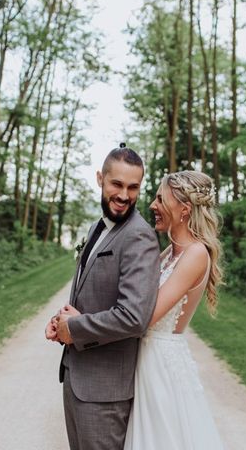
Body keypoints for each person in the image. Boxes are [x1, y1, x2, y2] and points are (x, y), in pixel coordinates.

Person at [61, 170, 225, 450]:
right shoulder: (167, 253)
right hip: (141, 362)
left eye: (161, 199)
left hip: (160, 367)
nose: (152, 205)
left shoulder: (196, 254)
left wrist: (81, 324)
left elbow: (144, 316)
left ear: (184, 209)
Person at [45, 145, 160, 450]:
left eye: (133, 187)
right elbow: (91, 294)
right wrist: (61, 323)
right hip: (76, 375)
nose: (124, 195)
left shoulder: (139, 236)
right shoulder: (99, 226)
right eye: (117, 184)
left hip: (104, 393)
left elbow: (133, 317)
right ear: (100, 179)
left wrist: (76, 328)